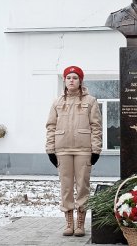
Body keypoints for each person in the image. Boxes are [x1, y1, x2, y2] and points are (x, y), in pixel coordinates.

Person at [45, 66, 102, 237]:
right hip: (62, 150)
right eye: (68, 77)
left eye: (75, 78)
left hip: (84, 150)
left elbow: (96, 127)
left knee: (82, 186)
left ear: (80, 81)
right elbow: (51, 126)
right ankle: (69, 223)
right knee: (66, 187)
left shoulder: (90, 101)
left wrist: (96, 149)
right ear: (64, 80)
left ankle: (80, 224)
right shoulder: (57, 102)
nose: (71, 80)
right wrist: (50, 150)